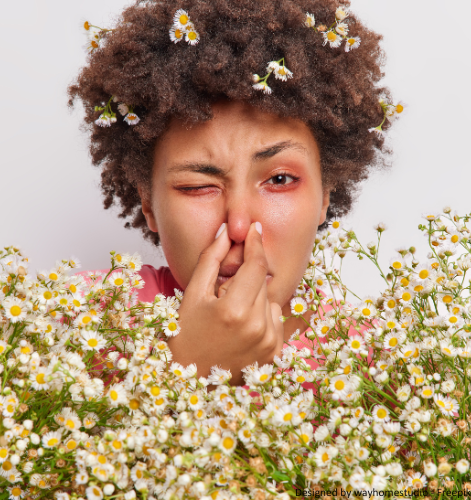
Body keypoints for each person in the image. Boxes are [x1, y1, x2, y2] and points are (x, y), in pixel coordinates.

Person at [68, 0, 397, 386]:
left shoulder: (383, 368)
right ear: (148, 202)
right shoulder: (75, 317)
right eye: (198, 186)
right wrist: (192, 368)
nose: (239, 226)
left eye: (279, 180)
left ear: (325, 194)